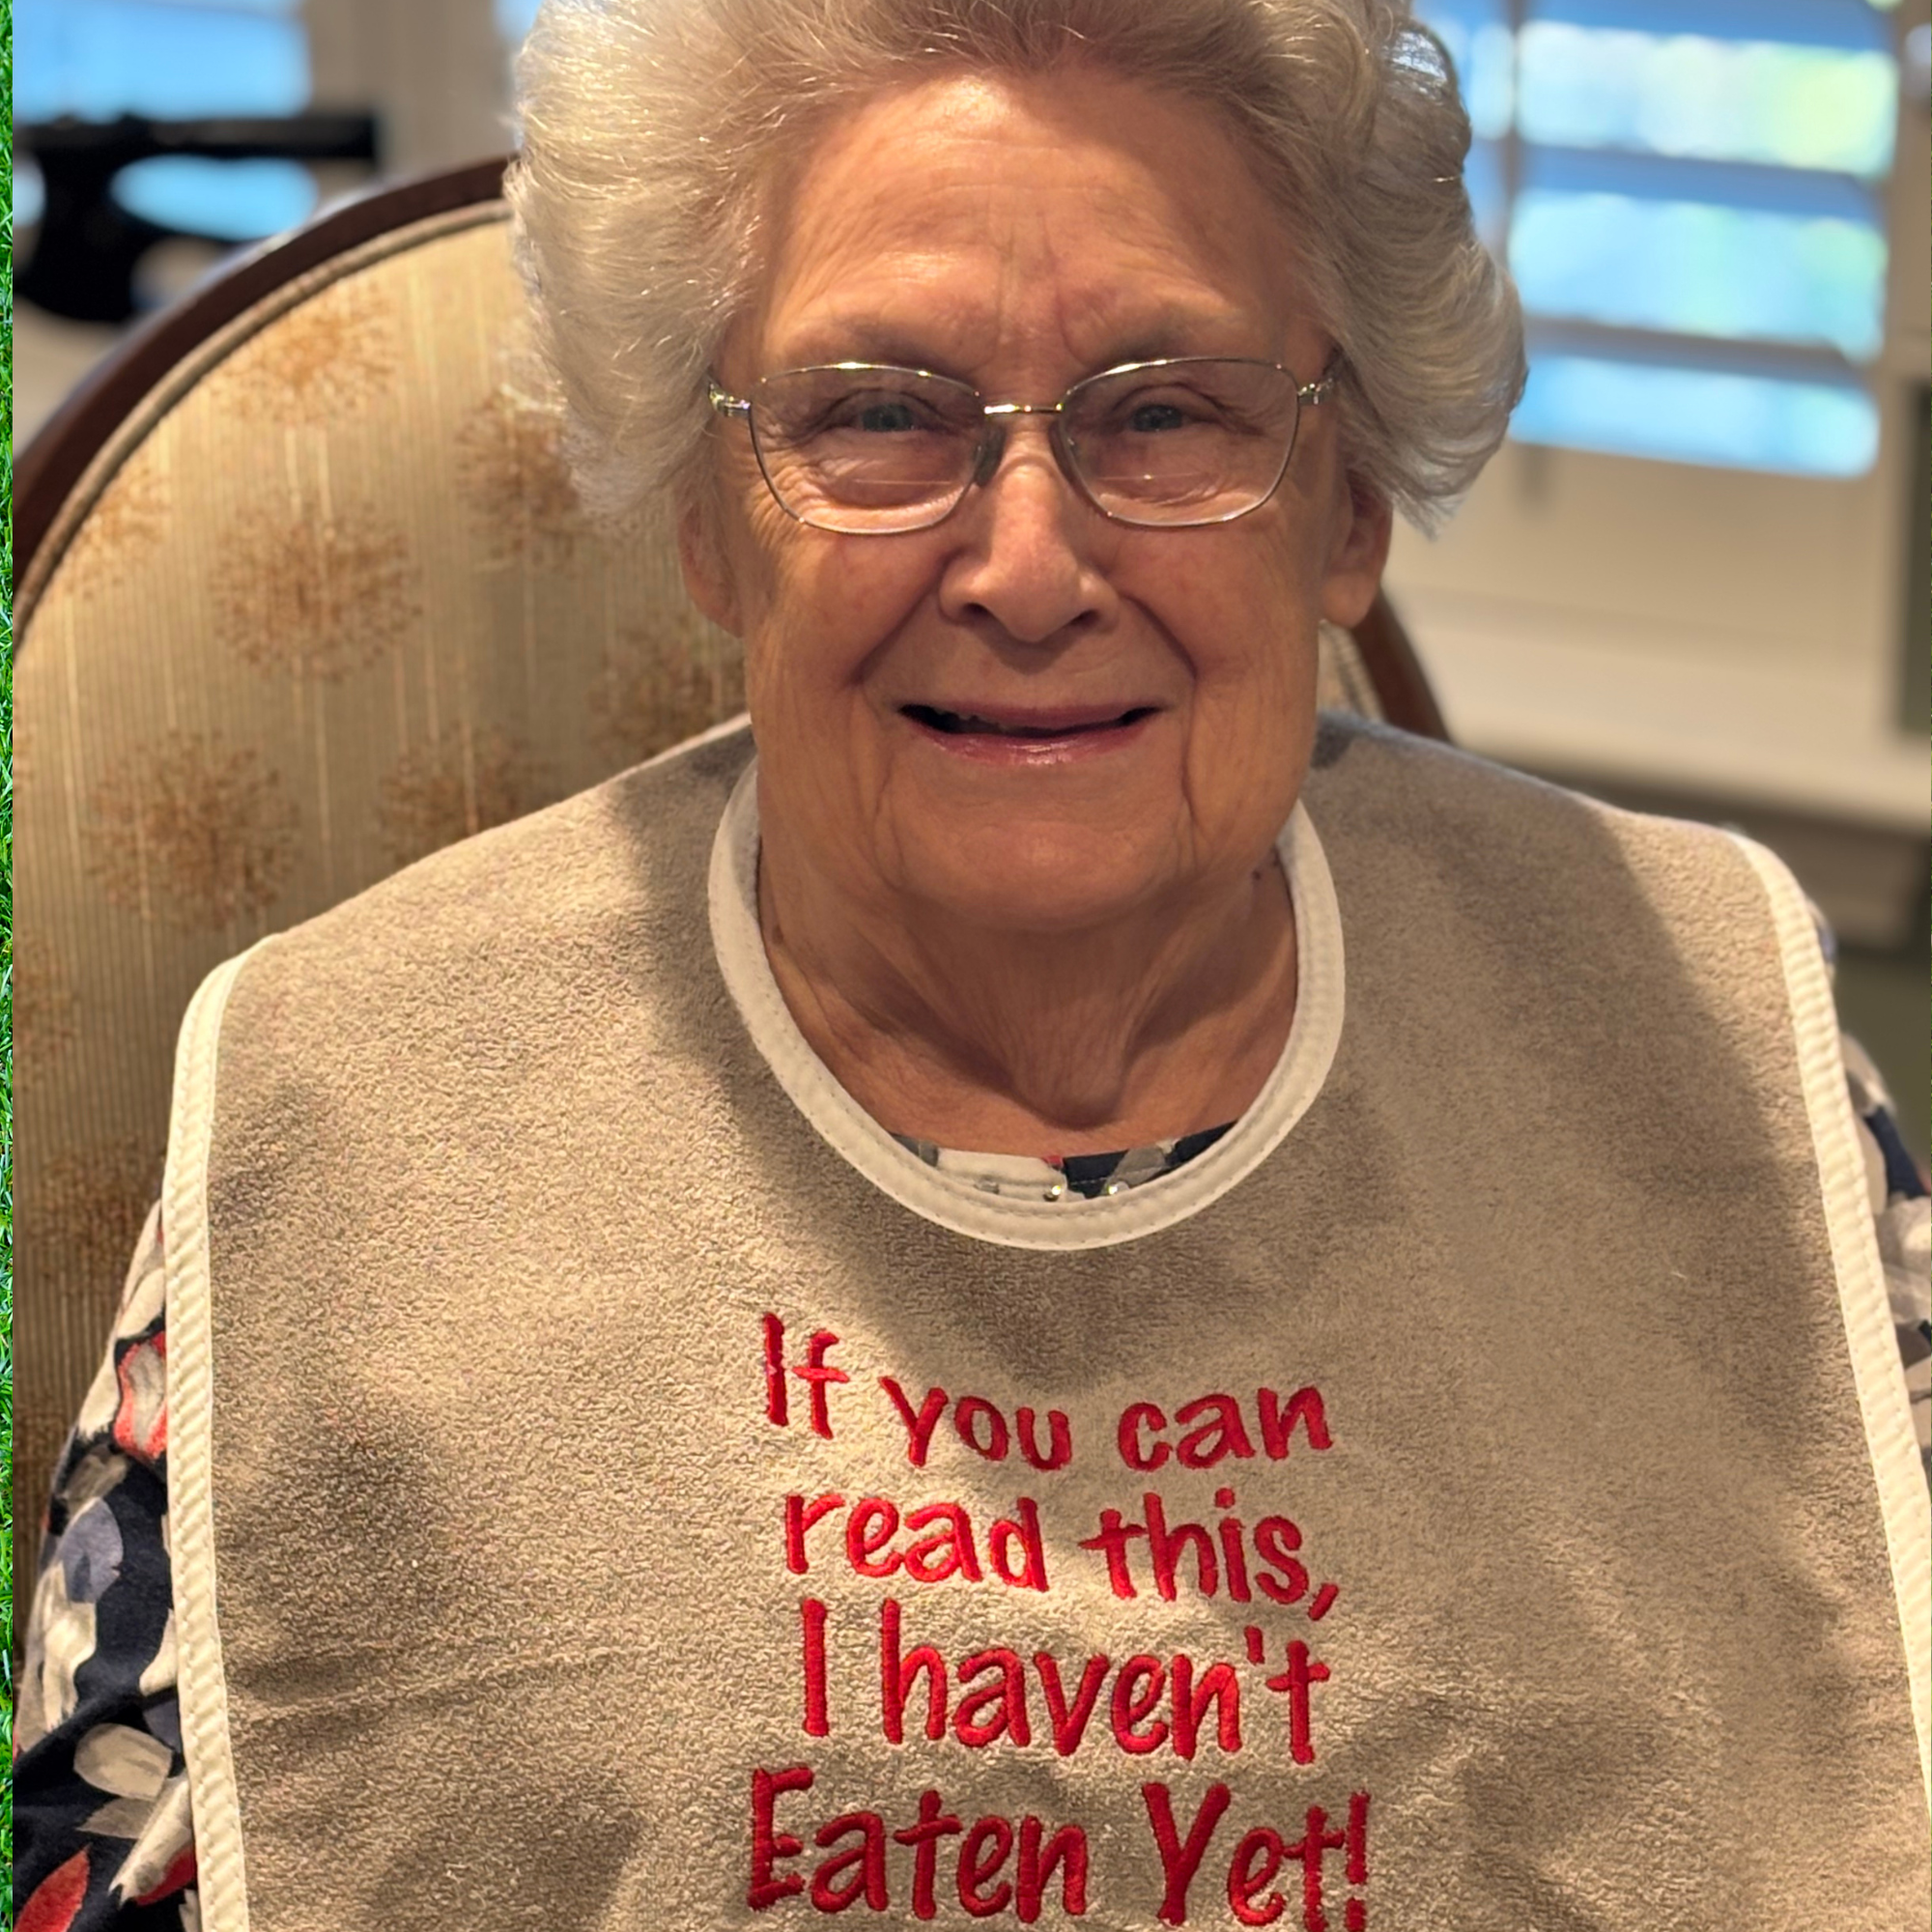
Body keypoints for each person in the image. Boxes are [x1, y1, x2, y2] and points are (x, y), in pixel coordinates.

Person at [17, 2, 1928, 1926]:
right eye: (876, 411)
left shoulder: (1708, 1062)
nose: (1026, 566)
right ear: (707, 518)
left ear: (1347, 505)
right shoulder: (341, 1131)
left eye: (1166, 407)